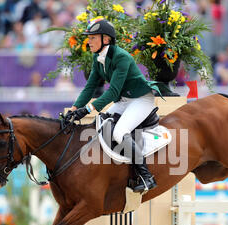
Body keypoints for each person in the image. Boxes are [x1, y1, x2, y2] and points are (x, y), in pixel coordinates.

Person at [65, 18, 169, 193]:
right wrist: (74, 110)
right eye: (88, 38)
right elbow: (90, 87)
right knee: (101, 123)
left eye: (93, 38)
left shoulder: (121, 57)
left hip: (141, 99)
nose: (88, 41)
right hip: (125, 101)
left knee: (120, 132)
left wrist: (88, 109)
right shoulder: (97, 58)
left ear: (106, 39)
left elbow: (113, 92)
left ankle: (146, 176)